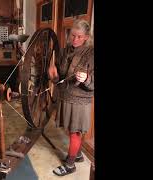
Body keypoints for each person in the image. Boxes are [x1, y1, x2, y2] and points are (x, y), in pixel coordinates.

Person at [48, 19, 95, 176]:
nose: (75, 39)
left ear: (87, 37)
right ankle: (79, 155)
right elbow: (61, 76)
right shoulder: (65, 50)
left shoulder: (91, 54)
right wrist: (54, 76)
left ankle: (70, 165)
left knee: (75, 132)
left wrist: (87, 78)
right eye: (72, 35)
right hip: (66, 96)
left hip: (80, 101)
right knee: (70, 130)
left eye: (79, 36)